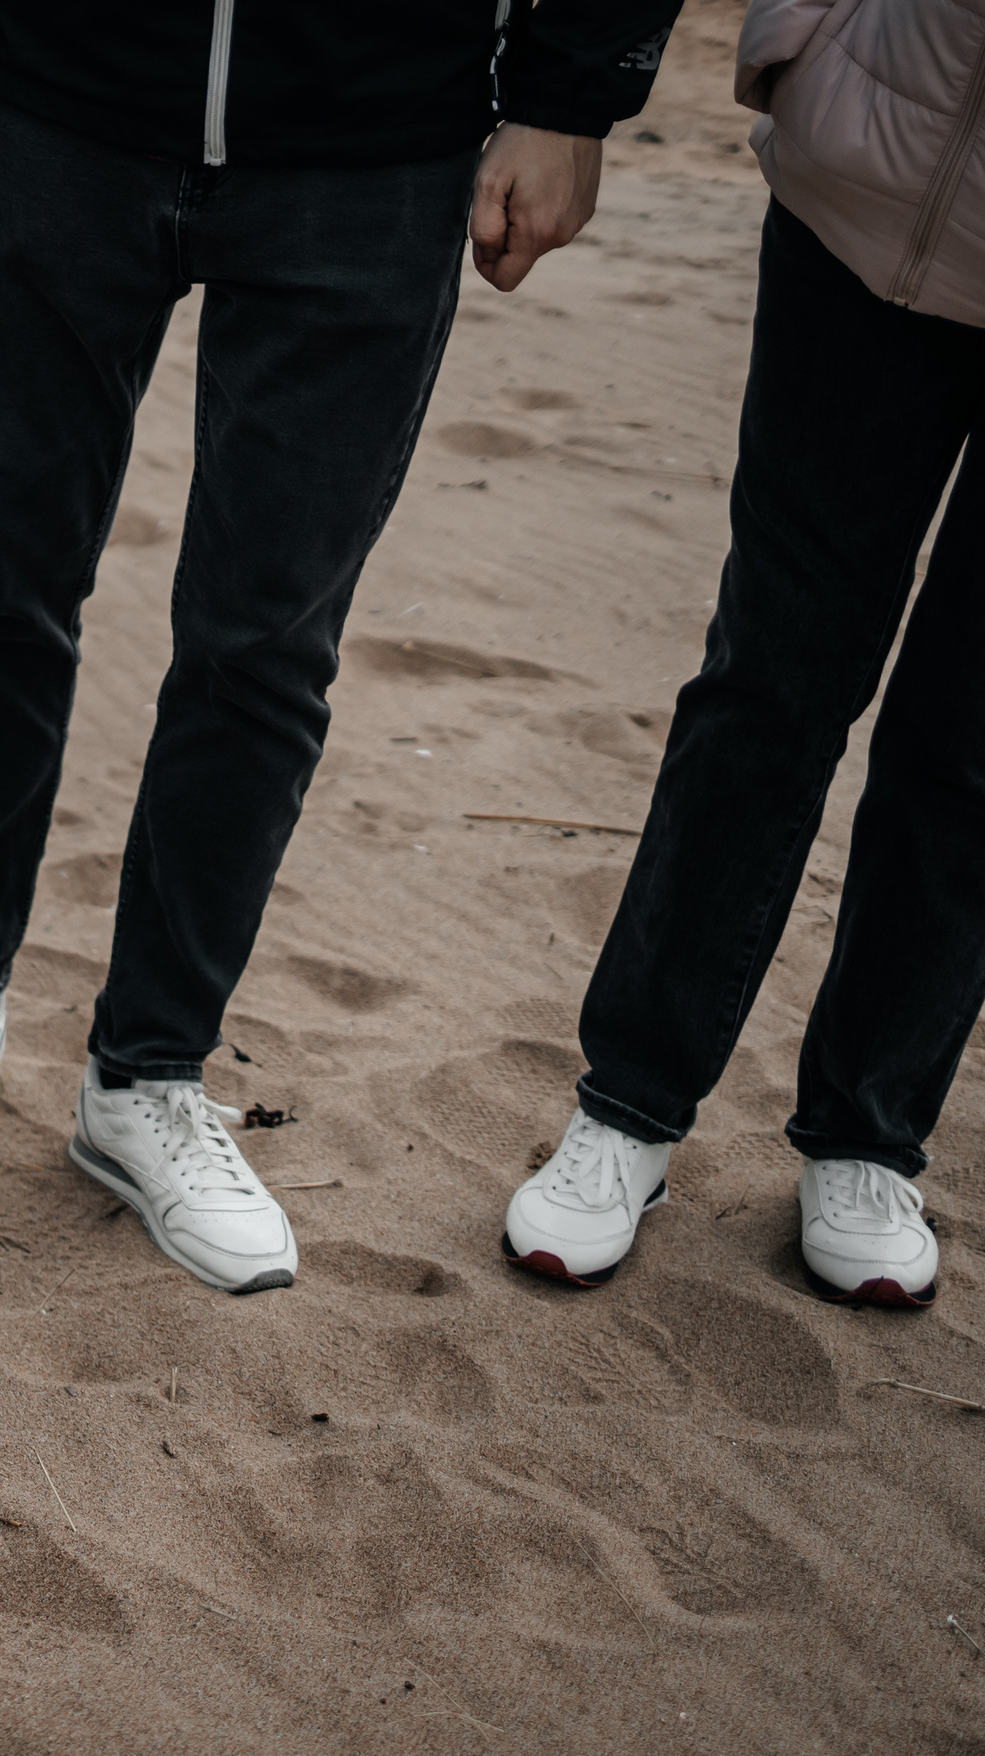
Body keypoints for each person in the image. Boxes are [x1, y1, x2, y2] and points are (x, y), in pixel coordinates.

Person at [0, 0, 683, 1294]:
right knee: (4, 587)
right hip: (69, 102)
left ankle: (146, 1074)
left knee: (261, 646)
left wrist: (570, 96)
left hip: (372, 139)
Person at [502, 0, 982, 1310]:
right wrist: (802, 33)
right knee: (770, 683)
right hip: (871, 183)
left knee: (973, 739)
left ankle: (869, 1137)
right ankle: (632, 1107)